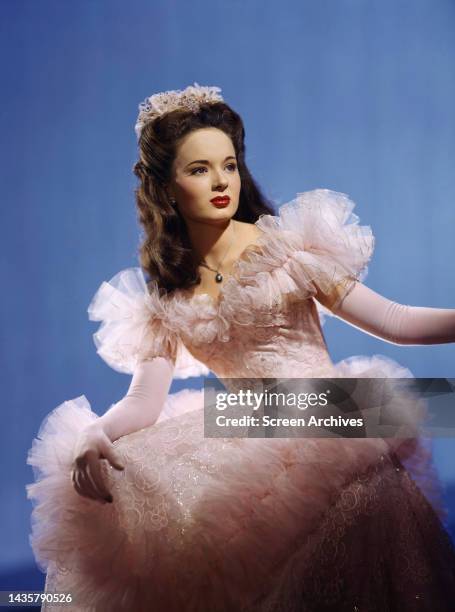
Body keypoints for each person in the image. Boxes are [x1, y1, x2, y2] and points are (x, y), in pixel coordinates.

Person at [27, 83, 455, 612]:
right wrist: (95, 430)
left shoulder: (285, 250)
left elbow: (396, 321)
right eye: (199, 169)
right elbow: (143, 403)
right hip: (248, 427)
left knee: (358, 531)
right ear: (166, 187)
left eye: (228, 165)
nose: (221, 181)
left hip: (331, 419)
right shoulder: (166, 294)